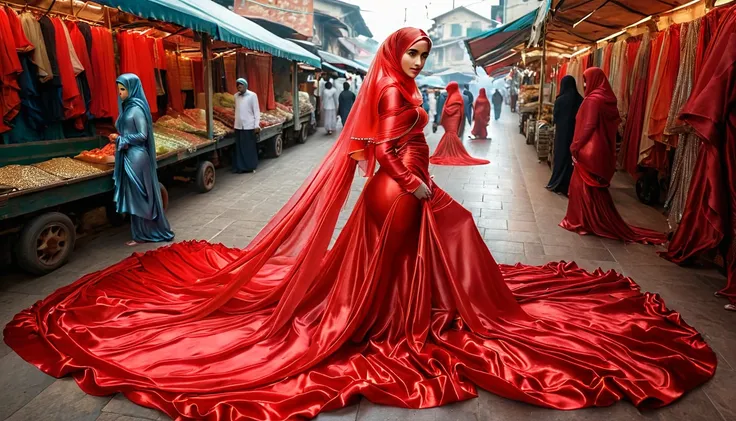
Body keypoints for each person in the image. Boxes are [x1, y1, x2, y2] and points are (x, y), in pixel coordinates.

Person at [5, 29, 715, 421]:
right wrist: (409, 178)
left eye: (421, 51)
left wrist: (415, 174)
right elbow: (372, 144)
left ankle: (394, 312)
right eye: (412, 50)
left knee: (412, 260)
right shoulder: (385, 84)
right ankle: (381, 320)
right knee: (395, 260)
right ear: (394, 55)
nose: (417, 59)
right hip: (394, 188)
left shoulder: (399, 83)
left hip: (407, 186)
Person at [560, 68, 667, 244]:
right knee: (593, 188)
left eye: (587, 80)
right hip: (601, 148)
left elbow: (588, 126)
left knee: (582, 186)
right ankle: (595, 218)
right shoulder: (607, 99)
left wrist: (576, 145)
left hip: (589, 148)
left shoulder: (593, 100)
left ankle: (584, 220)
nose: (585, 84)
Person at [109, 73, 174, 246]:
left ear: (132, 89)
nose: (120, 93)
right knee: (134, 196)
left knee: (140, 196)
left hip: (137, 157)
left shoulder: (136, 109)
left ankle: (147, 233)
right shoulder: (127, 108)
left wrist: (120, 139)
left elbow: (143, 135)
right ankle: (139, 234)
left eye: (123, 89)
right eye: (119, 90)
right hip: (129, 155)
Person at [429, 81, 490, 166]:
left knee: (451, 135)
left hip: (453, 119)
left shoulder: (454, 97)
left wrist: (444, 115)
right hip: (458, 118)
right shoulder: (457, 96)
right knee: (451, 135)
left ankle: (451, 152)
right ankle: (449, 152)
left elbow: (451, 108)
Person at [546, 75, 583, 195]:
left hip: (562, 134)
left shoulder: (560, 100)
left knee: (560, 156)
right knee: (570, 159)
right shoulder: (580, 100)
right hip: (575, 133)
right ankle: (568, 185)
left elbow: (555, 117)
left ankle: (556, 182)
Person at [232, 78, 260, 174]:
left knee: (249, 147)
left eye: (241, 85)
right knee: (239, 148)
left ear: (245, 86)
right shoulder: (235, 96)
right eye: (238, 85)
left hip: (249, 126)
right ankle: (240, 167)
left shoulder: (252, 95)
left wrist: (256, 125)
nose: (239, 86)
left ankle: (250, 166)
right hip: (238, 126)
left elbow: (256, 111)